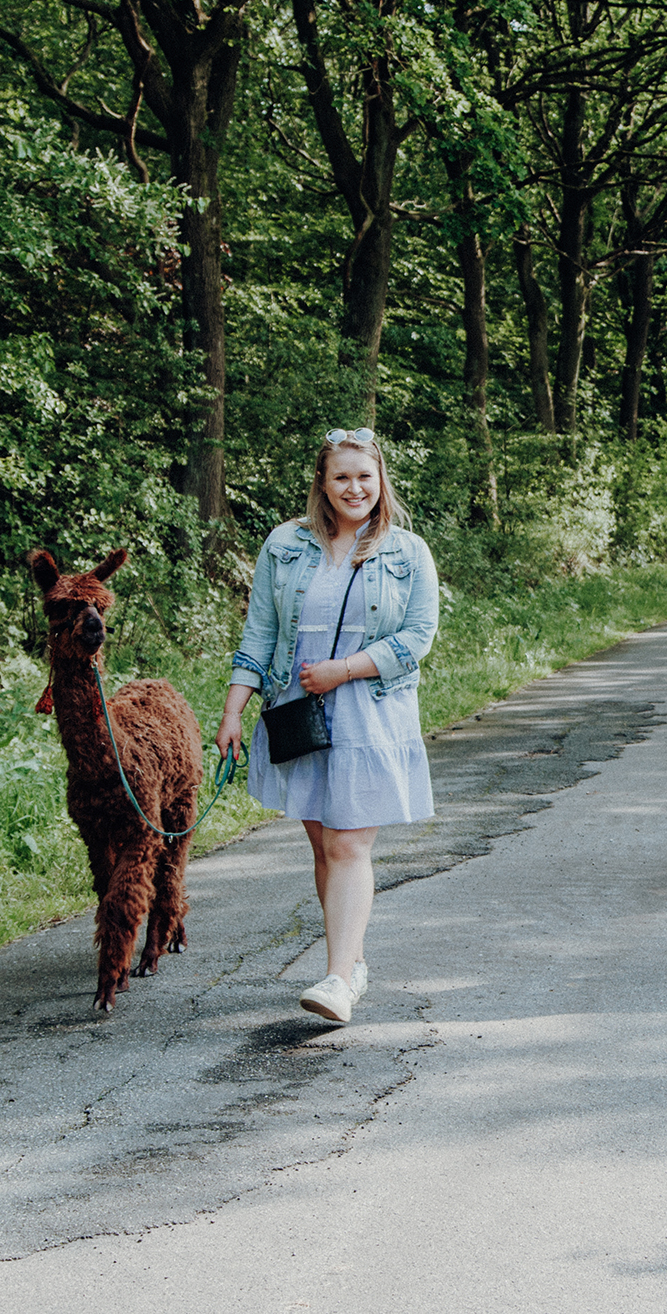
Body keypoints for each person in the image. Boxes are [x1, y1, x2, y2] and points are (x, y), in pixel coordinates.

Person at [216, 427, 438, 1024]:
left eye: (365, 476)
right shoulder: (284, 545)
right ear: (323, 482)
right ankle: (355, 960)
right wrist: (234, 710)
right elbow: (259, 635)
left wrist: (345, 670)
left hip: (371, 707)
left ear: (381, 481)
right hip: (300, 707)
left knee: (347, 842)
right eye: (342, 476)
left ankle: (338, 978)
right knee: (323, 843)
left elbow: (416, 638)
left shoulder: (407, 551)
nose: (354, 487)